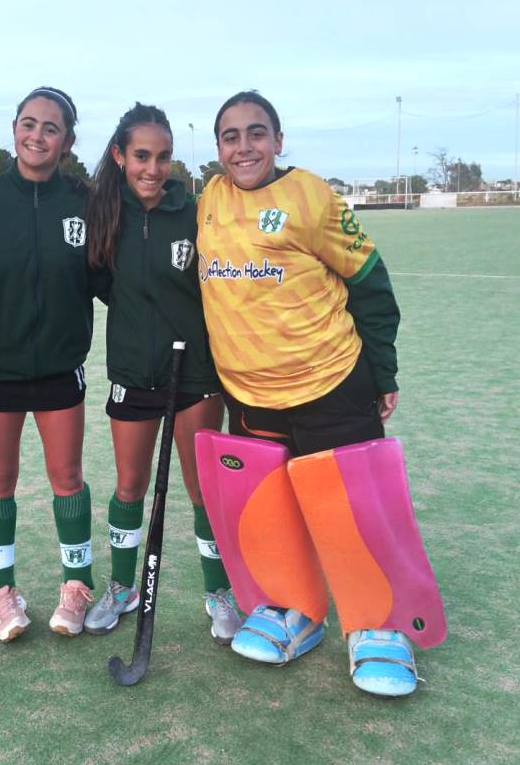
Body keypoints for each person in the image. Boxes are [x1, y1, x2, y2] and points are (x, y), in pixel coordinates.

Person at [196, 90, 444, 696]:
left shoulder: (313, 196)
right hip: (250, 396)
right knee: (274, 511)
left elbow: (370, 282)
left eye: (257, 133)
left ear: (278, 141)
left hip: (330, 380)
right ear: (219, 148)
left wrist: (382, 371)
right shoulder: (209, 199)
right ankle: (294, 609)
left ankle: (378, 625)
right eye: (231, 136)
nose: (244, 146)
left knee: (349, 510)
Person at [83, 103, 242, 643]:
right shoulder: (104, 213)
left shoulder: (194, 212)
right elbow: (105, 286)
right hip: (132, 371)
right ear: (119, 156)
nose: (153, 168)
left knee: (202, 490)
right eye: (142, 156)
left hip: (193, 372)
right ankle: (122, 587)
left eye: (164, 157)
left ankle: (218, 591)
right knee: (130, 486)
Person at [0, 87, 95, 640]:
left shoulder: (84, 201)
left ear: (67, 139)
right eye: (28, 124)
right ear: (14, 128)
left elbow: (109, 278)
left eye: (51, 127)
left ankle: (76, 588)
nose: (37, 135)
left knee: (67, 477)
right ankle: (2, 594)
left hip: (61, 368)